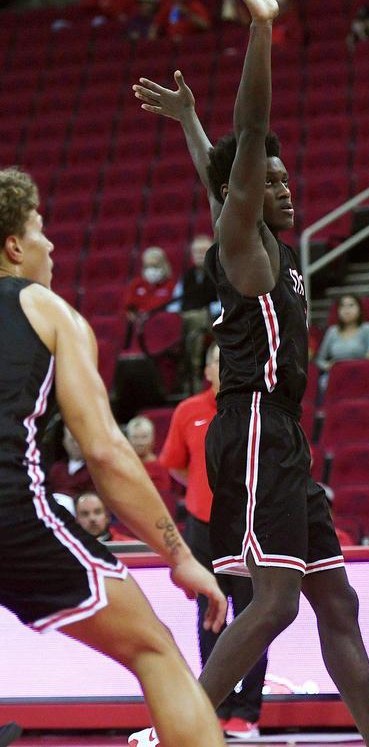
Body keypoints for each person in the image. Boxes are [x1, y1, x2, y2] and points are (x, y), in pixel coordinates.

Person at [130, 0, 369, 747]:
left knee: (336, 601)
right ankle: (175, 730)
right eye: (273, 183)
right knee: (275, 601)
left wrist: (191, 122)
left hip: (285, 433)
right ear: (249, 197)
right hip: (253, 422)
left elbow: (220, 167)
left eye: (289, 181)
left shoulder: (264, 244)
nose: (285, 189)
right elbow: (248, 143)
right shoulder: (244, 242)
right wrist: (261, 26)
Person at [0, 166, 227, 746]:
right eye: (41, 228)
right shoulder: (47, 311)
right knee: (156, 650)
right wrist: (176, 553)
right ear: (15, 244)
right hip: (10, 515)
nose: (51, 243)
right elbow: (105, 451)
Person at [159, 342, 269, 739]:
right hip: (203, 528)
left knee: (255, 615)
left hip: (248, 524)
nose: (230, 367)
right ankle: (215, 706)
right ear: (207, 370)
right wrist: (206, 493)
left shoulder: (256, 407)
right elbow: (173, 464)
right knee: (210, 614)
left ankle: (247, 711)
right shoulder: (188, 410)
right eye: (222, 361)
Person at [168, 234, 219, 383]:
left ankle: (193, 370)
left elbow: (225, 302)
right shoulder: (187, 276)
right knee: (182, 321)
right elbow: (175, 303)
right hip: (188, 317)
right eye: (196, 252)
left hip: (212, 319)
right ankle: (181, 367)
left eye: (203, 251)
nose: (199, 255)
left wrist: (207, 310)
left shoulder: (220, 272)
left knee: (197, 319)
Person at [315, 294, 369, 374]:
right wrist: (328, 366)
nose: (346, 310)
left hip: (361, 372)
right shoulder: (332, 331)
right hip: (336, 374)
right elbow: (320, 359)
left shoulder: (367, 329)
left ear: (360, 309)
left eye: (351, 305)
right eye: (342, 306)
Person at [122, 246, 178, 324]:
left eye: (155, 266)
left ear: (164, 266)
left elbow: (173, 311)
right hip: (138, 325)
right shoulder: (136, 284)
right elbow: (128, 307)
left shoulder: (172, 286)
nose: (151, 270)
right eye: (147, 266)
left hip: (160, 324)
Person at [126, 415, 173, 495]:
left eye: (144, 437)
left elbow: (164, 495)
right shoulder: (123, 464)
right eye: (135, 437)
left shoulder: (161, 466)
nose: (139, 442)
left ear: (152, 439)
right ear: (128, 440)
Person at [49, 426, 94, 496]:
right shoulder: (56, 469)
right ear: (64, 443)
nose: (76, 445)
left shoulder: (95, 470)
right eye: (72, 441)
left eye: (79, 440)